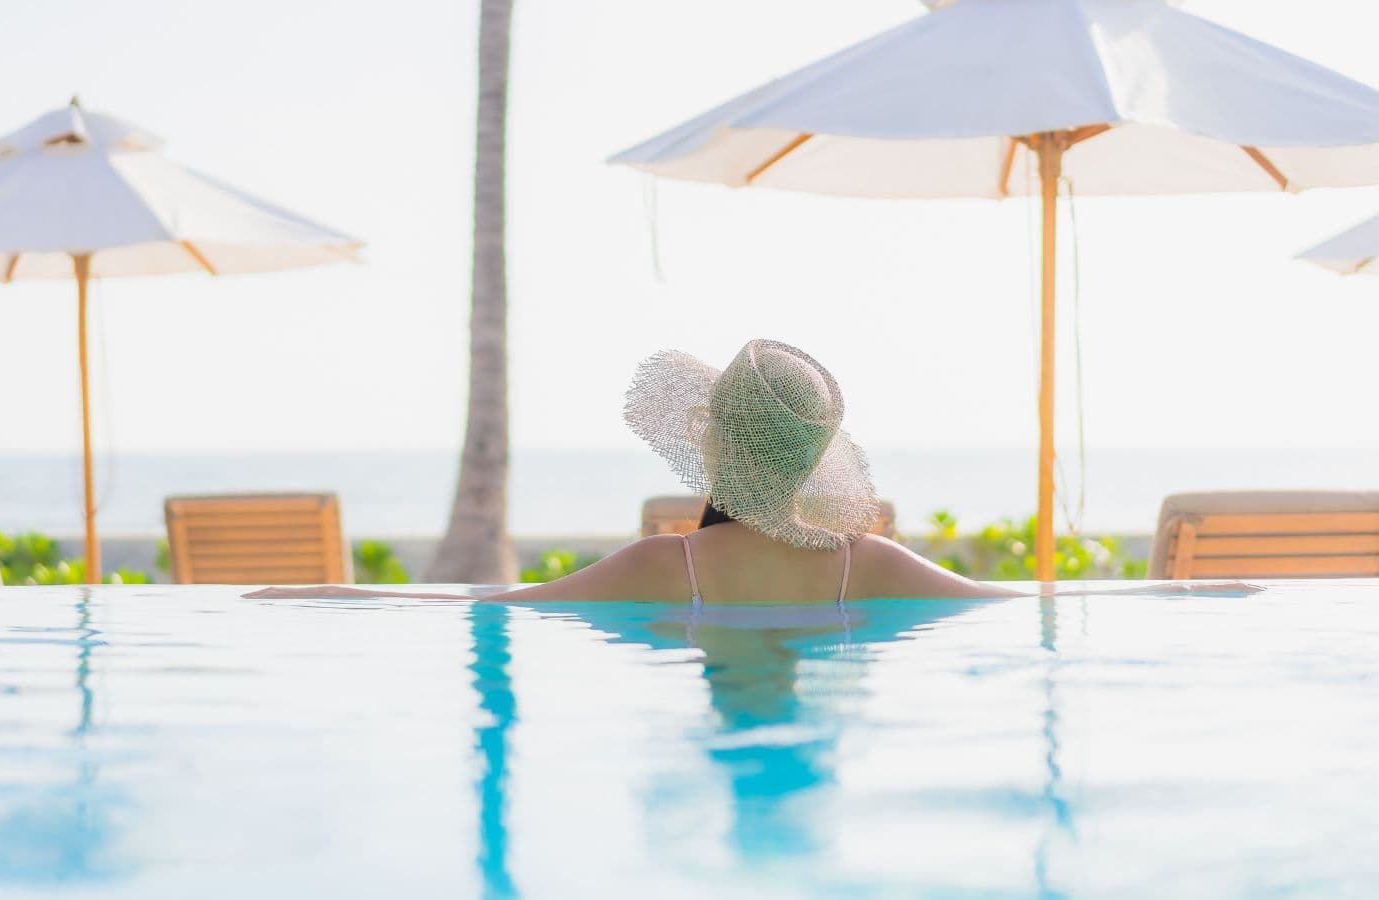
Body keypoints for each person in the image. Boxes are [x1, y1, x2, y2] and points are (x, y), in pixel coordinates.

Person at [248, 339, 1252, 604]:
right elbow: (1023, 604)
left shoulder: (660, 568)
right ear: (815, 462)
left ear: (709, 446)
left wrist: (326, 595)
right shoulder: (877, 568)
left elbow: (493, 607)